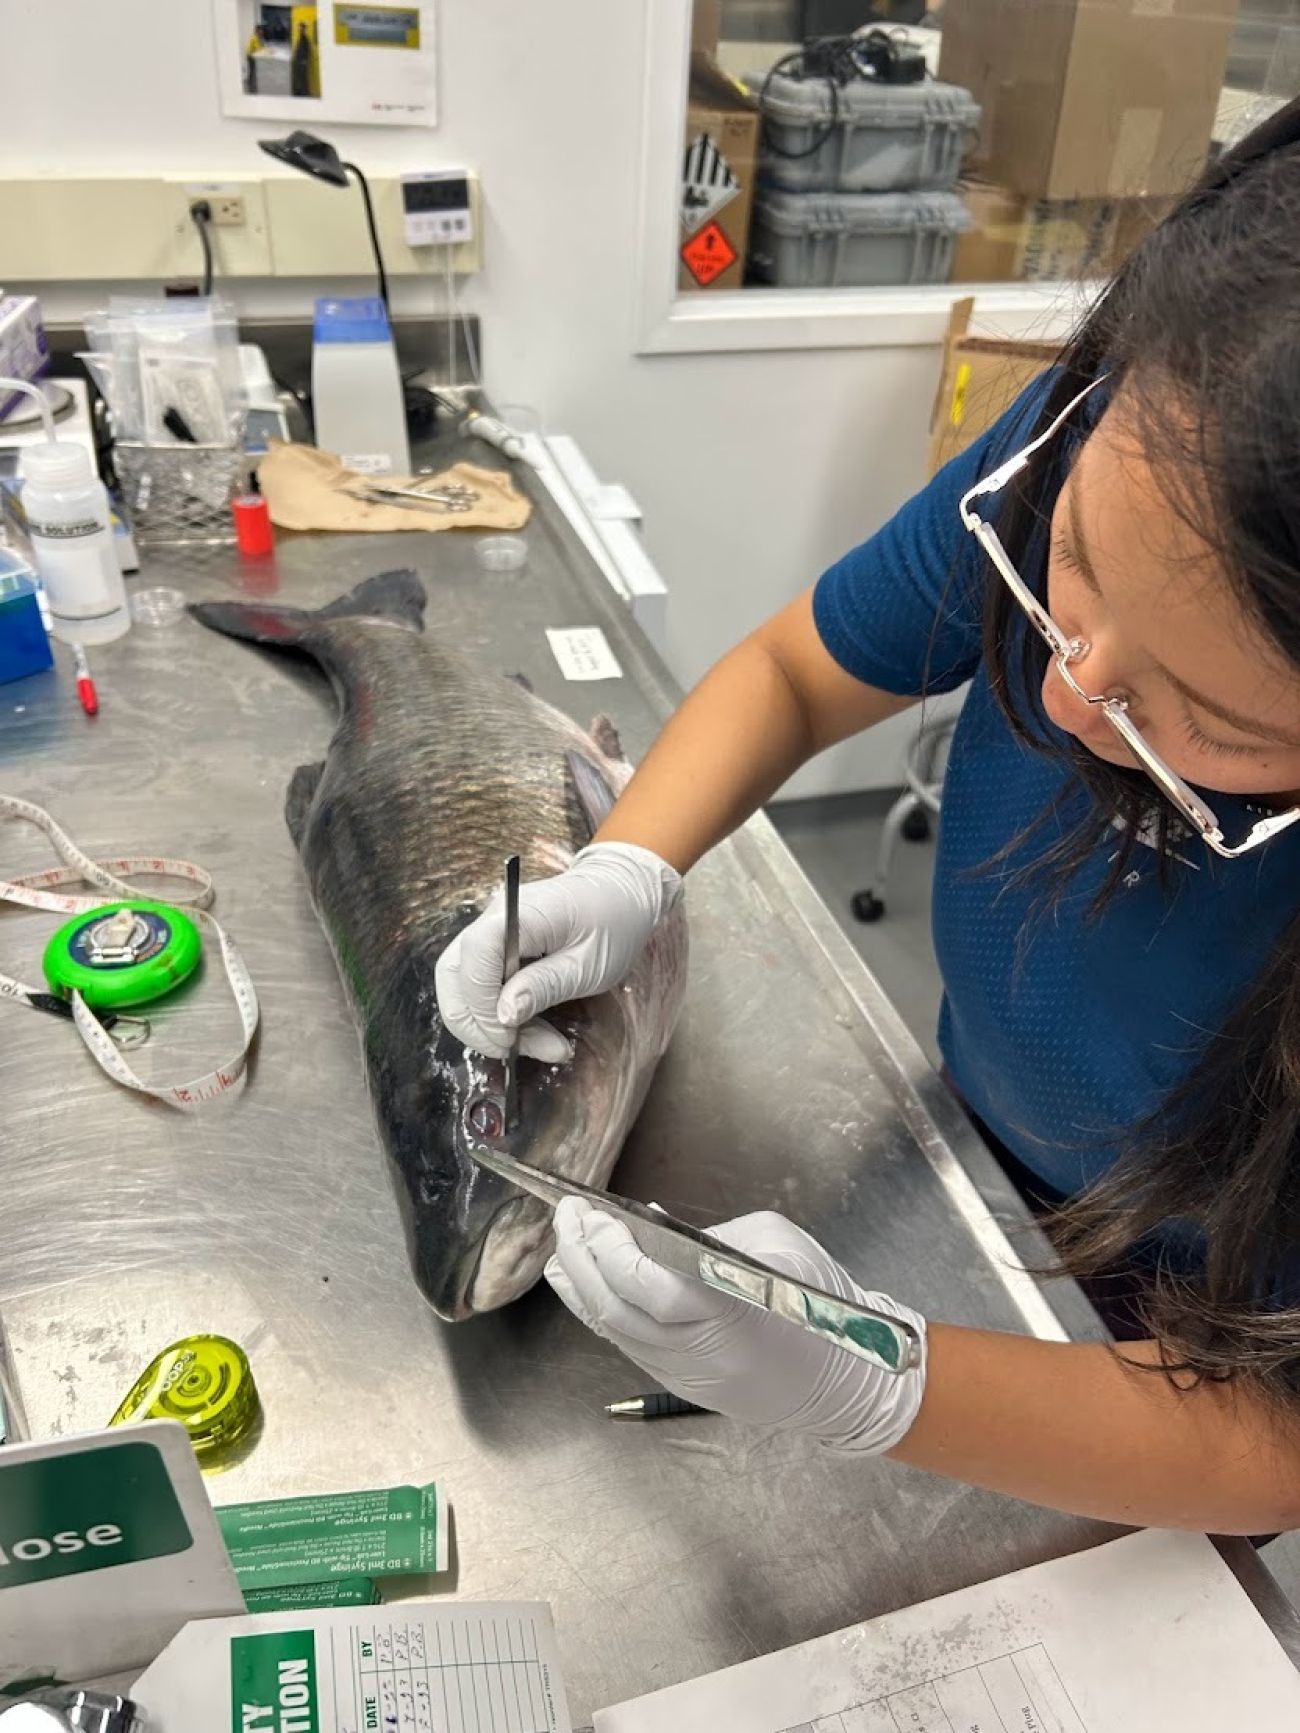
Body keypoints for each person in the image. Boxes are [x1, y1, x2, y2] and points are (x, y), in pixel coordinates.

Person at [436, 103, 1300, 1537]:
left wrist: (882, 1389)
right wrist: (631, 860)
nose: (1074, 696)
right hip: (958, 1147)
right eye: (1069, 571)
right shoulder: (1131, 436)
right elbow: (790, 667)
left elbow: (1276, 1429)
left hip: (1201, 1364)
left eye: (1203, 716)